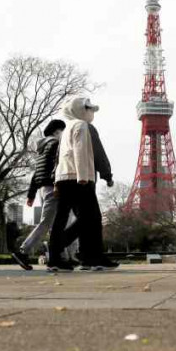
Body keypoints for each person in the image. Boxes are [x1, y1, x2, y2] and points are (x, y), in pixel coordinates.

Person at [47, 97, 116, 272]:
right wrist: (84, 176)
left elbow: (59, 158)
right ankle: (90, 257)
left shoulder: (66, 128)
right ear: (81, 110)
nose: (91, 113)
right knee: (91, 218)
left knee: (61, 218)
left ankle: (54, 258)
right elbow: (81, 150)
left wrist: (55, 181)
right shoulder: (82, 125)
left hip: (63, 178)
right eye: (89, 109)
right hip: (79, 178)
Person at [12, 119, 72, 271]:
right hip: (53, 187)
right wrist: (58, 184)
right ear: (56, 131)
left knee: (54, 225)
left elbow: (36, 173)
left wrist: (31, 194)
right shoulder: (56, 145)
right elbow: (58, 167)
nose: (64, 134)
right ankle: (23, 251)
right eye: (62, 131)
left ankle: (59, 257)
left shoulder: (42, 149)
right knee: (48, 222)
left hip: (43, 189)